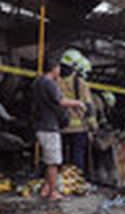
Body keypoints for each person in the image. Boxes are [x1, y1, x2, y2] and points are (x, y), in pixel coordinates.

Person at [31, 58, 86, 200]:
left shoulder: (37, 82)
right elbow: (60, 101)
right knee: (54, 163)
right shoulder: (49, 83)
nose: (60, 71)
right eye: (58, 68)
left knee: (48, 160)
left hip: (40, 126)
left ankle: (46, 187)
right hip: (49, 127)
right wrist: (78, 103)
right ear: (54, 69)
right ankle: (53, 193)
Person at [56, 48, 93, 173]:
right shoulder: (80, 82)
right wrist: (93, 126)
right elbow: (88, 106)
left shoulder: (55, 81)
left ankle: (60, 180)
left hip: (60, 125)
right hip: (78, 128)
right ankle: (76, 181)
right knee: (77, 155)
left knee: (59, 156)